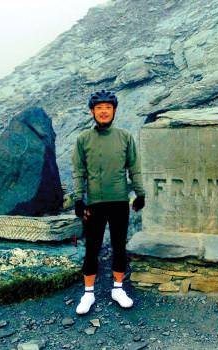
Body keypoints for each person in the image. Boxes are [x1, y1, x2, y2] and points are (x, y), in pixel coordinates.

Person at [71, 89, 145, 314]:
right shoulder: (83, 139)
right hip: (94, 203)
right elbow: (78, 171)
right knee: (92, 248)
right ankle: (88, 293)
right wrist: (78, 199)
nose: (104, 112)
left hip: (119, 201)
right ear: (92, 111)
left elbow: (134, 167)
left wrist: (140, 194)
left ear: (114, 111)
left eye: (108, 108)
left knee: (119, 246)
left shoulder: (124, 137)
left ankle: (118, 288)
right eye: (99, 108)